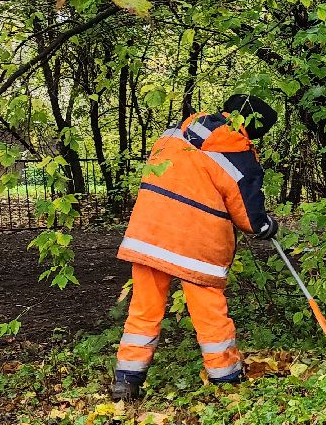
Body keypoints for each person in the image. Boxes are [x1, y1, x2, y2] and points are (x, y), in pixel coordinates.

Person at [112, 94, 279, 401]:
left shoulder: (178, 131)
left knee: (144, 309)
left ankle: (126, 380)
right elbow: (249, 218)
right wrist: (268, 225)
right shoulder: (239, 153)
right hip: (195, 245)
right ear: (256, 128)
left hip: (149, 233)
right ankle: (226, 378)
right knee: (209, 311)